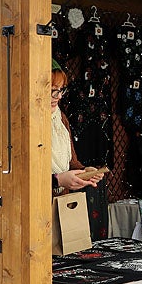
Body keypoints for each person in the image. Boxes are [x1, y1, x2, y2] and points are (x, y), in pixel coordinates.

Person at [51, 61, 102, 194]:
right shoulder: (25, 123)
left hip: (60, 201)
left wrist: (85, 172)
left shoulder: (60, 118)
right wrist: (57, 180)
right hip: (33, 204)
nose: (59, 96)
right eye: (53, 90)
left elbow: (72, 162)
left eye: (61, 90)